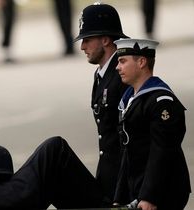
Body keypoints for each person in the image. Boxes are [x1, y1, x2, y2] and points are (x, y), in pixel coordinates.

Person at [113, 38, 191, 210]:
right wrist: (119, 197)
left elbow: (162, 151)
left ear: (141, 62)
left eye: (123, 61)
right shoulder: (129, 99)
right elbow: (128, 153)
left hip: (163, 193)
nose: (118, 67)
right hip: (139, 190)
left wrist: (149, 197)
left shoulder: (161, 101)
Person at [74, 2, 129, 204]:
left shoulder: (123, 74)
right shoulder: (102, 74)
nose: (82, 47)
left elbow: (130, 141)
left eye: (87, 39)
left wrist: (122, 193)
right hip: (109, 177)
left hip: (126, 182)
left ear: (105, 40)